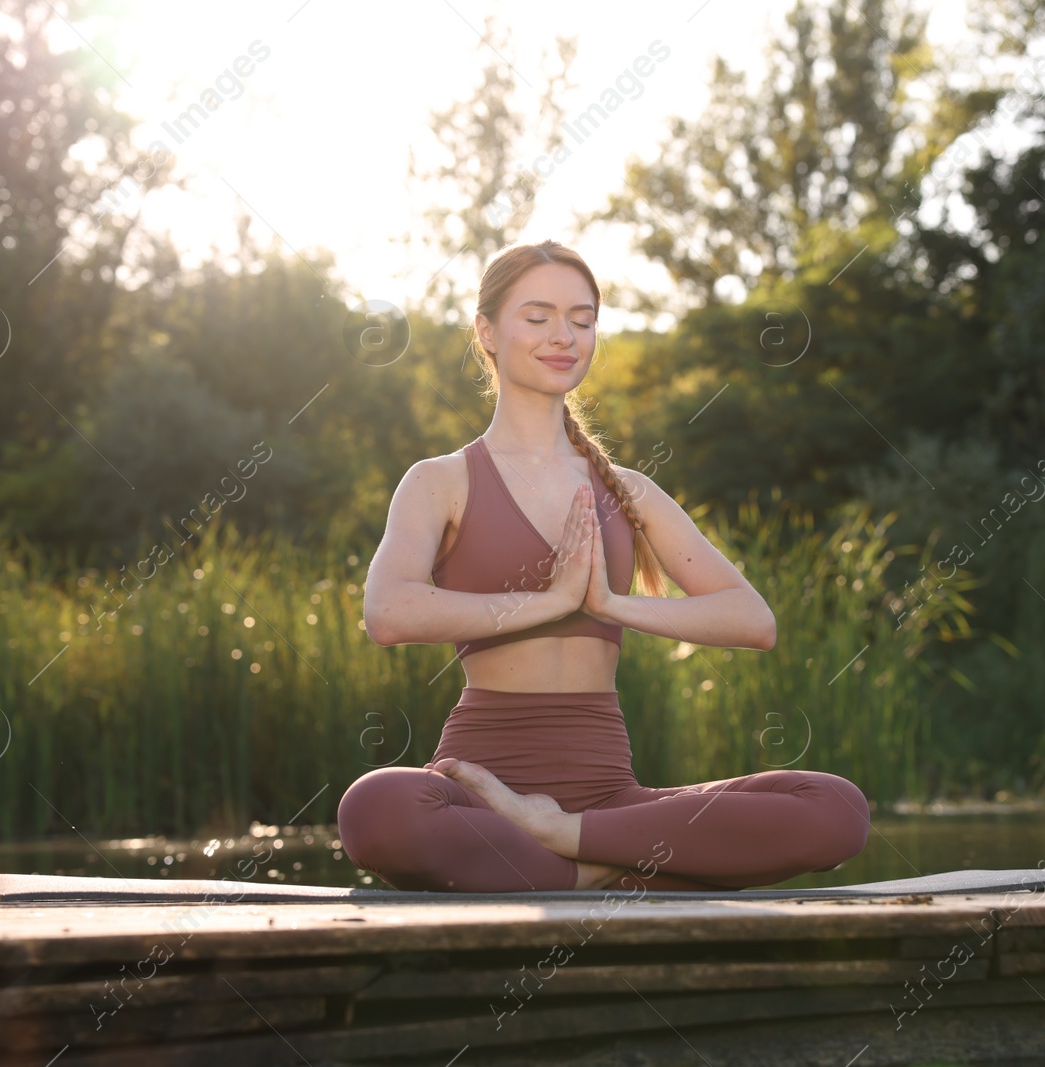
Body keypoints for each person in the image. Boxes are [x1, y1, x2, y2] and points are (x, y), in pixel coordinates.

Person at [338, 240, 870, 892]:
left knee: (834, 807)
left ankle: (563, 849)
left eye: (582, 319)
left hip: (606, 794)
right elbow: (387, 613)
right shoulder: (440, 481)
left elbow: (752, 620)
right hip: (483, 790)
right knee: (376, 809)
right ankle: (618, 869)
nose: (563, 335)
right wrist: (552, 600)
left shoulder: (629, 490)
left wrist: (612, 606)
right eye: (537, 317)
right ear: (487, 332)